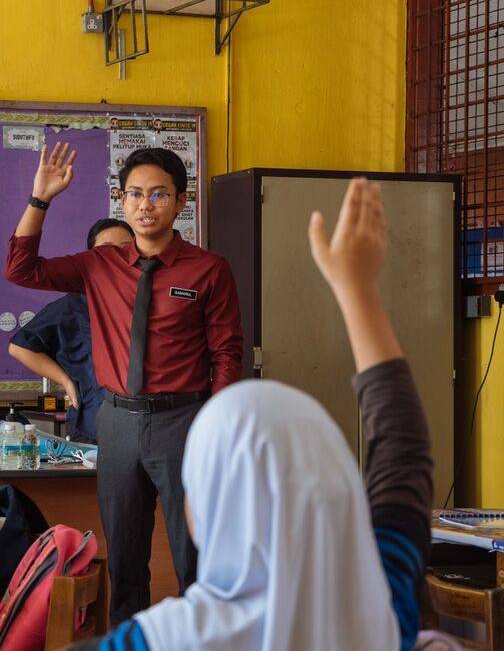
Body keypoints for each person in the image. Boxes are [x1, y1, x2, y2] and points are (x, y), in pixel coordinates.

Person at [76, 178, 433, 651]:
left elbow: (403, 457)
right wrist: (358, 288)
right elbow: (403, 454)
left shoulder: (164, 638)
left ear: (198, 515)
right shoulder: (379, 599)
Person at [5, 144, 243, 622]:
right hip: (116, 423)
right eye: (135, 194)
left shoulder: (208, 268)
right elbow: (21, 269)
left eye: (159, 195)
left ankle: (205, 637)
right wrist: (40, 199)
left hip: (183, 422)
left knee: (193, 554)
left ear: (180, 202)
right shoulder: (101, 264)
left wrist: (215, 428)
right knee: (126, 558)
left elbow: (227, 354)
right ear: (122, 199)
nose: (145, 205)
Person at [7, 218, 134, 443]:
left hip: (146, 423)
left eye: (125, 248)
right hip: (93, 422)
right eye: (105, 251)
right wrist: (65, 381)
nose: (115, 258)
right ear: (90, 257)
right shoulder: (73, 305)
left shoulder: (151, 300)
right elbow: (20, 347)